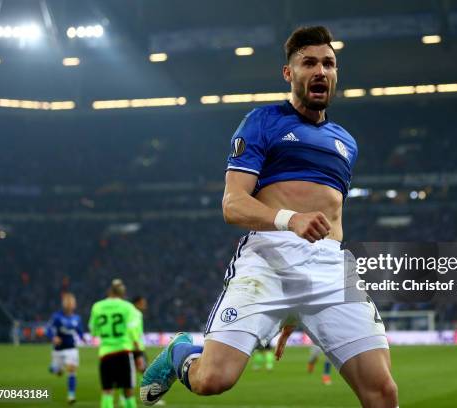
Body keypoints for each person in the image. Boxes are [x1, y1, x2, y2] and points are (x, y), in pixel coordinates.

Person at [140, 25, 398, 408]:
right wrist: (290, 219)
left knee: (383, 393)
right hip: (267, 262)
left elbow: (332, 218)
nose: (320, 72)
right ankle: (182, 353)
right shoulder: (262, 122)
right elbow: (233, 204)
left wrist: (295, 313)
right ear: (288, 73)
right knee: (213, 380)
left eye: (328, 63)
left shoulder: (347, 142)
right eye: (308, 63)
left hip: (329, 269)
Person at [89, 279, 140, 408]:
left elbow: (93, 331)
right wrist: (138, 353)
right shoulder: (127, 307)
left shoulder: (97, 306)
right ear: (122, 293)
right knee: (128, 391)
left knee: (107, 391)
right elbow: (133, 331)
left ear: (109, 291)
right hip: (123, 352)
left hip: (105, 354)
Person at [46, 292, 84, 404]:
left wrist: (84, 338)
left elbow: (80, 332)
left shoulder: (77, 318)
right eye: (67, 302)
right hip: (58, 350)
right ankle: (56, 368)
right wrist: (53, 337)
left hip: (71, 348)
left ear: (74, 304)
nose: (69, 304)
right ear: (63, 304)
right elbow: (47, 329)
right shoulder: (57, 317)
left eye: (71, 302)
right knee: (56, 371)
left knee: (72, 369)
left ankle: (71, 396)